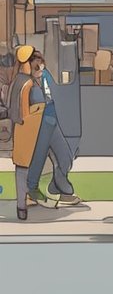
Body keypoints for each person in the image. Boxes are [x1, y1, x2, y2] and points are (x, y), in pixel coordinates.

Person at [21, 47, 81, 211]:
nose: (40, 68)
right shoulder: (27, 83)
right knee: (38, 158)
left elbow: (55, 96)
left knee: (65, 157)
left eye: (41, 64)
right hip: (37, 124)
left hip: (52, 120)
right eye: (36, 66)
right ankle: (31, 190)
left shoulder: (46, 75)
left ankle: (58, 188)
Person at [10, 46, 44, 220]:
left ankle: (21, 206)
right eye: (37, 64)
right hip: (29, 130)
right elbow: (31, 110)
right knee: (25, 168)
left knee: (21, 169)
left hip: (19, 129)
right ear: (30, 63)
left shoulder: (17, 80)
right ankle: (23, 206)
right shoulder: (29, 84)